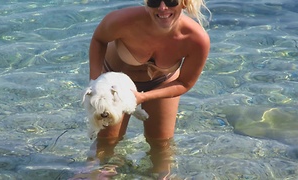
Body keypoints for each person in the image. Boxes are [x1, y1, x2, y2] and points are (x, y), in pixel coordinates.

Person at [88, 0, 210, 177]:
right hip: (115, 83)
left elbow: (184, 83)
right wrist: (95, 81)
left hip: (162, 83)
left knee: (161, 144)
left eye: (171, 1)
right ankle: (95, 172)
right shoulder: (124, 20)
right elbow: (99, 39)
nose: (162, 8)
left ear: (184, 3)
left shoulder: (197, 38)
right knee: (107, 141)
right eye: (154, 1)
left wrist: (142, 98)